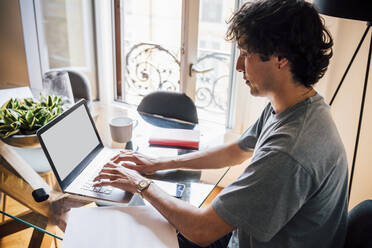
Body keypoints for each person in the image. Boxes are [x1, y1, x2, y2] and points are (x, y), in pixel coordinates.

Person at [94, 0, 349, 247]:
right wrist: (161, 163)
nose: (238, 65)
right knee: (151, 222)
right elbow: (236, 150)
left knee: (135, 229)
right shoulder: (295, 106)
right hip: (242, 236)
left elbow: (201, 230)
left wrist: (139, 184)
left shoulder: (290, 151)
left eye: (246, 54)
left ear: (280, 58)